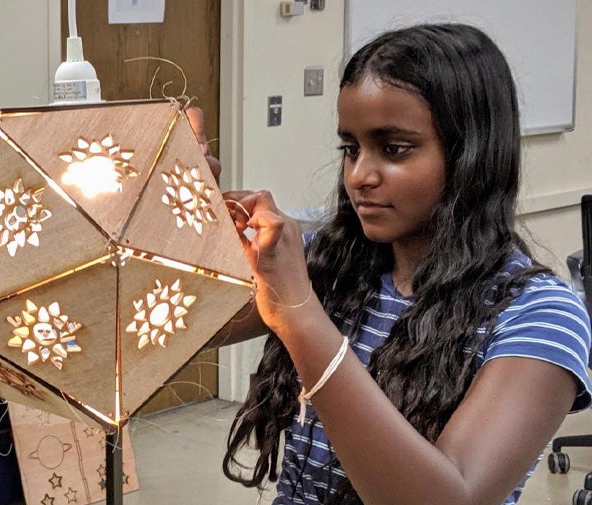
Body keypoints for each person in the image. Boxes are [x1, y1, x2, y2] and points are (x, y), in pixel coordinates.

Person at [214, 23, 592, 505]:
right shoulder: (332, 264)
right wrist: (179, 204)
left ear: (470, 156)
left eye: (393, 150)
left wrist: (301, 316)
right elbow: (174, 325)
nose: (359, 176)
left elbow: (450, 497)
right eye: (350, 148)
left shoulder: (538, 316)